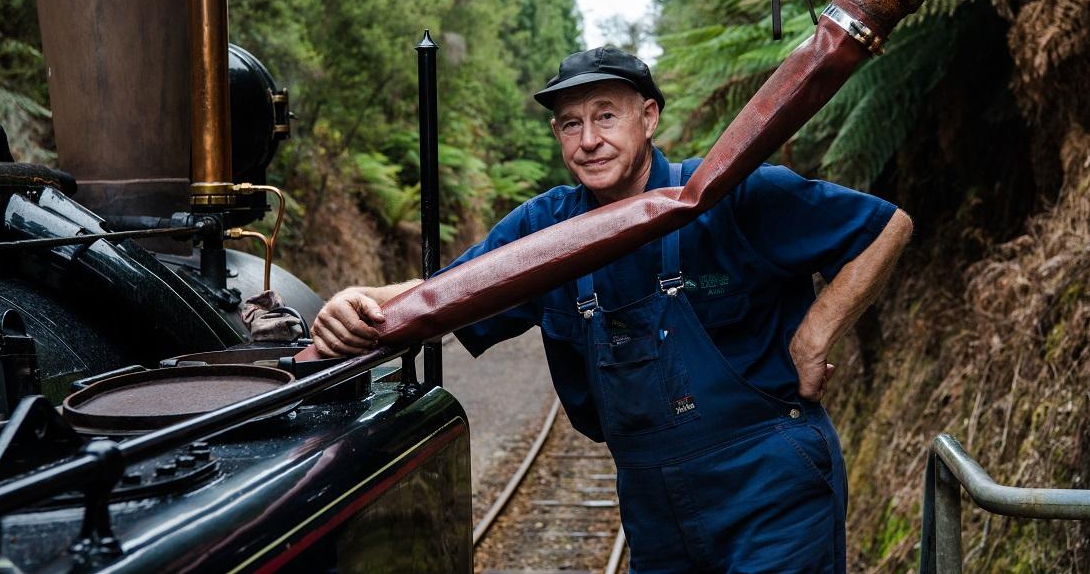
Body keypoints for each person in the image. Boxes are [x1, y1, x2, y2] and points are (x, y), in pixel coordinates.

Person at [312, 46, 913, 573]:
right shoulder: (545, 227)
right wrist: (360, 301)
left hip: (768, 486)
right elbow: (446, 292)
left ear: (648, 118)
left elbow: (886, 226)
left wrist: (816, 334)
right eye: (570, 124)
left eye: (606, 115)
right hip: (652, 503)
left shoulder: (733, 191)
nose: (589, 140)